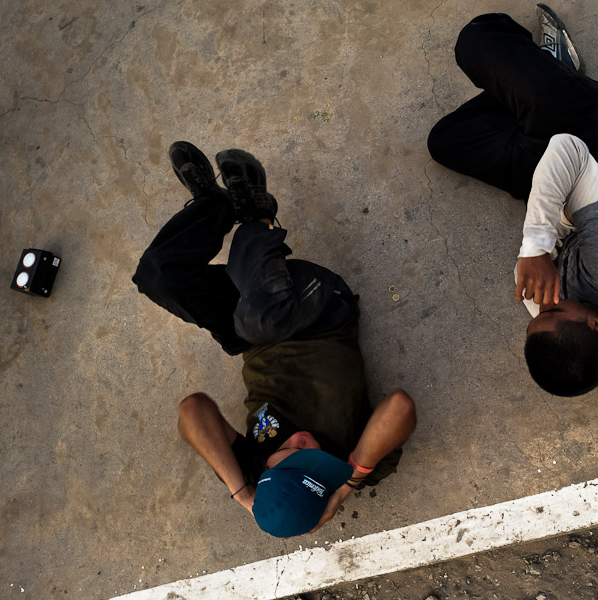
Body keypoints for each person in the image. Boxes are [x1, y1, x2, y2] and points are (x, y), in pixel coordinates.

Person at [132, 142, 416, 537]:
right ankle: (256, 213)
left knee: (158, 276)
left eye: (289, 456)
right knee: (261, 320)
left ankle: (214, 206)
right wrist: (347, 484)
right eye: (313, 461)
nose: (303, 443)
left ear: (265, 470)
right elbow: (400, 408)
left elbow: (193, 411)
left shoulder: (249, 471)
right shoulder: (353, 464)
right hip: (320, 308)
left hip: (252, 329)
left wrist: (243, 494)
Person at [428, 7, 598, 397]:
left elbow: (530, 282)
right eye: (554, 309)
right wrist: (537, 246)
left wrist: (569, 217)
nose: (543, 305)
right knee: (477, 40)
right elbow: (567, 149)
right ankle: (555, 70)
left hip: (571, 191)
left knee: (447, 140)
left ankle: (541, 87)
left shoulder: (586, 347)